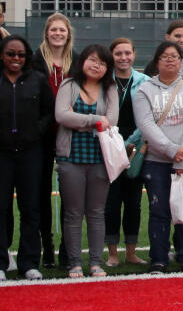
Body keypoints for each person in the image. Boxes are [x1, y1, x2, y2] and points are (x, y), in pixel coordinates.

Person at [0, 36, 54, 281]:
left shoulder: (38, 81)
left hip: (31, 153)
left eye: (20, 55)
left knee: (30, 208)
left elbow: (48, 114)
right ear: (1, 55)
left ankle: (29, 261)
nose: (16, 59)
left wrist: (34, 133)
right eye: (11, 54)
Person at [134, 41, 183, 273]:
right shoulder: (145, 90)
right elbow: (145, 125)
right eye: (164, 56)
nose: (169, 60)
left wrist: (182, 152)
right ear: (157, 61)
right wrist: (170, 149)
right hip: (156, 161)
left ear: (181, 61)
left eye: (174, 57)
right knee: (159, 211)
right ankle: (159, 257)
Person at [55, 45, 118, 278]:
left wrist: (79, 118)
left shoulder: (109, 88)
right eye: (92, 60)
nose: (96, 66)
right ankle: (73, 263)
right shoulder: (68, 85)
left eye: (101, 63)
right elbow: (61, 115)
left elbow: (111, 120)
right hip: (70, 158)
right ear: (82, 61)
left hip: (100, 158)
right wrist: (95, 119)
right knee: (73, 213)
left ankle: (95, 262)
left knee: (96, 212)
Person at [28, 12, 76, 270]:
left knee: (71, 194)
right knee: (40, 193)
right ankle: (46, 247)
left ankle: (67, 249)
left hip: (70, 133)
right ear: (47, 32)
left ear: (68, 34)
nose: (58, 34)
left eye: (62, 30)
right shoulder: (35, 61)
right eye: (53, 30)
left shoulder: (76, 62)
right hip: (42, 135)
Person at [104, 38, 150, 267]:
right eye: (118, 53)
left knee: (133, 203)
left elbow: (149, 117)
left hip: (135, 151)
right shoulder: (104, 82)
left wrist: (130, 142)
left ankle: (131, 251)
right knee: (111, 202)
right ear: (111, 56)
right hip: (109, 149)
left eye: (127, 53)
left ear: (134, 54)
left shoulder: (145, 82)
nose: (123, 57)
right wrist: (115, 143)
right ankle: (112, 253)